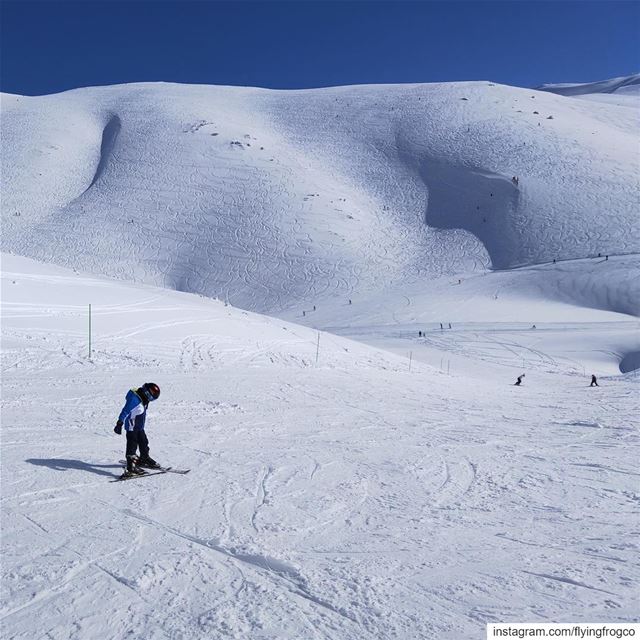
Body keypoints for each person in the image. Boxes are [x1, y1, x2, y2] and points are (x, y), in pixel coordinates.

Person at [114, 383, 161, 475]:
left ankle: (144, 458)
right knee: (132, 445)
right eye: (152, 395)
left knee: (144, 442)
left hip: (139, 427)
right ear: (147, 393)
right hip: (132, 428)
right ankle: (131, 467)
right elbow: (125, 411)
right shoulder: (134, 400)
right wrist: (119, 423)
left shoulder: (143, 398)